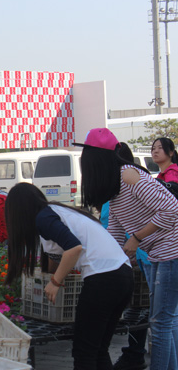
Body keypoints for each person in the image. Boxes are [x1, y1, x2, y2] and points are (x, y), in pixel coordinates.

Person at [78, 127, 178, 370]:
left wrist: (136, 239)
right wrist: (108, 260)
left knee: (160, 322)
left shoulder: (128, 176)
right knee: (163, 321)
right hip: (158, 253)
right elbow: (114, 230)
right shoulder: (113, 185)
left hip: (172, 250)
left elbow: (172, 208)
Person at [5, 182, 133, 369]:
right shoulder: (55, 212)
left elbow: (74, 248)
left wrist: (55, 282)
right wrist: (50, 276)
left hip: (104, 278)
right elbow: (58, 253)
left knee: (84, 352)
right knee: (98, 350)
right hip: (122, 274)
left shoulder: (44, 218)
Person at [104, 143, 152, 370]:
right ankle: (135, 353)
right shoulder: (133, 181)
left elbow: (112, 227)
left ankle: (135, 354)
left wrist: (129, 247)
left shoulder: (121, 186)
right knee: (143, 309)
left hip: (139, 256)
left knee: (144, 311)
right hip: (139, 255)